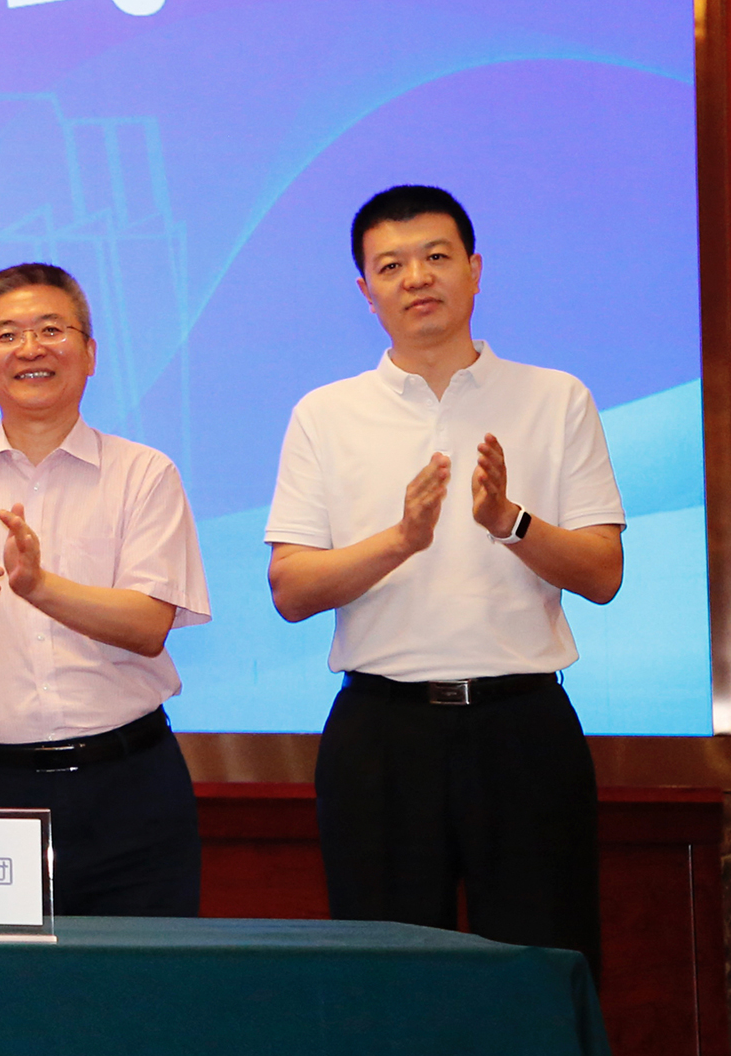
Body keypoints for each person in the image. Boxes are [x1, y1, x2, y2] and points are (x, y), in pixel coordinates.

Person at [267, 185, 625, 975]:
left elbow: (603, 573)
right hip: (382, 733)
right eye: (390, 265)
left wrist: (511, 522)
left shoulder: (556, 397)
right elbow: (290, 588)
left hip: (522, 726)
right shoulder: (325, 413)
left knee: (541, 970)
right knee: (388, 982)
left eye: (436, 256)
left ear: (474, 269)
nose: (416, 277)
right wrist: (401, 539)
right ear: (366, 290)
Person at [0, 262, 212, 916]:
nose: (30, 348)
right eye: (7, 335)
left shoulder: (144, 473)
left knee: (143, 976)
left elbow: (148, 626)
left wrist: (39, 586)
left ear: (90, 353)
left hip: (128, 784)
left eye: (51, 329)